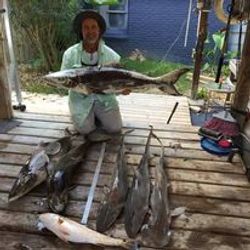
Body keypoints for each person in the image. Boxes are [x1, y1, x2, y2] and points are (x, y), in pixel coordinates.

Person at [61, 10, 127, 135]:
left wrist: (122, 90)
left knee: (115, 128)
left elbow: (117, 85)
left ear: (99, 30)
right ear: (81, 31)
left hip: (105, 99)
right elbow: (64, 80)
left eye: (93, 27)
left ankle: (97, 115)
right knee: (86, 130)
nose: (90, 31)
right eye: (86, 28)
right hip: (80, 99)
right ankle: (83, 115)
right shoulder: (69, 54)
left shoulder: (113, 56)